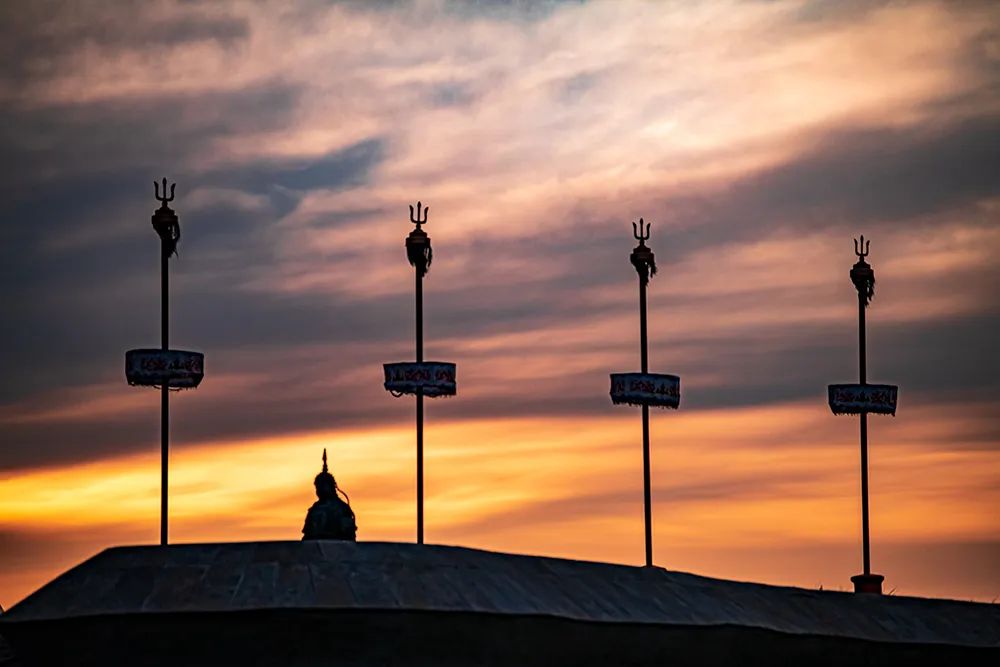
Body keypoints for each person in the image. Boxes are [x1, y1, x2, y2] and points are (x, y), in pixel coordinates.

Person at [302, 449, 357, 541]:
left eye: (322, 486)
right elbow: (307, 537)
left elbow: (349, 538)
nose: (319, 490)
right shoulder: (314, 509)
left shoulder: (342, 509)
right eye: (317, 487)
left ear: (331, 487)